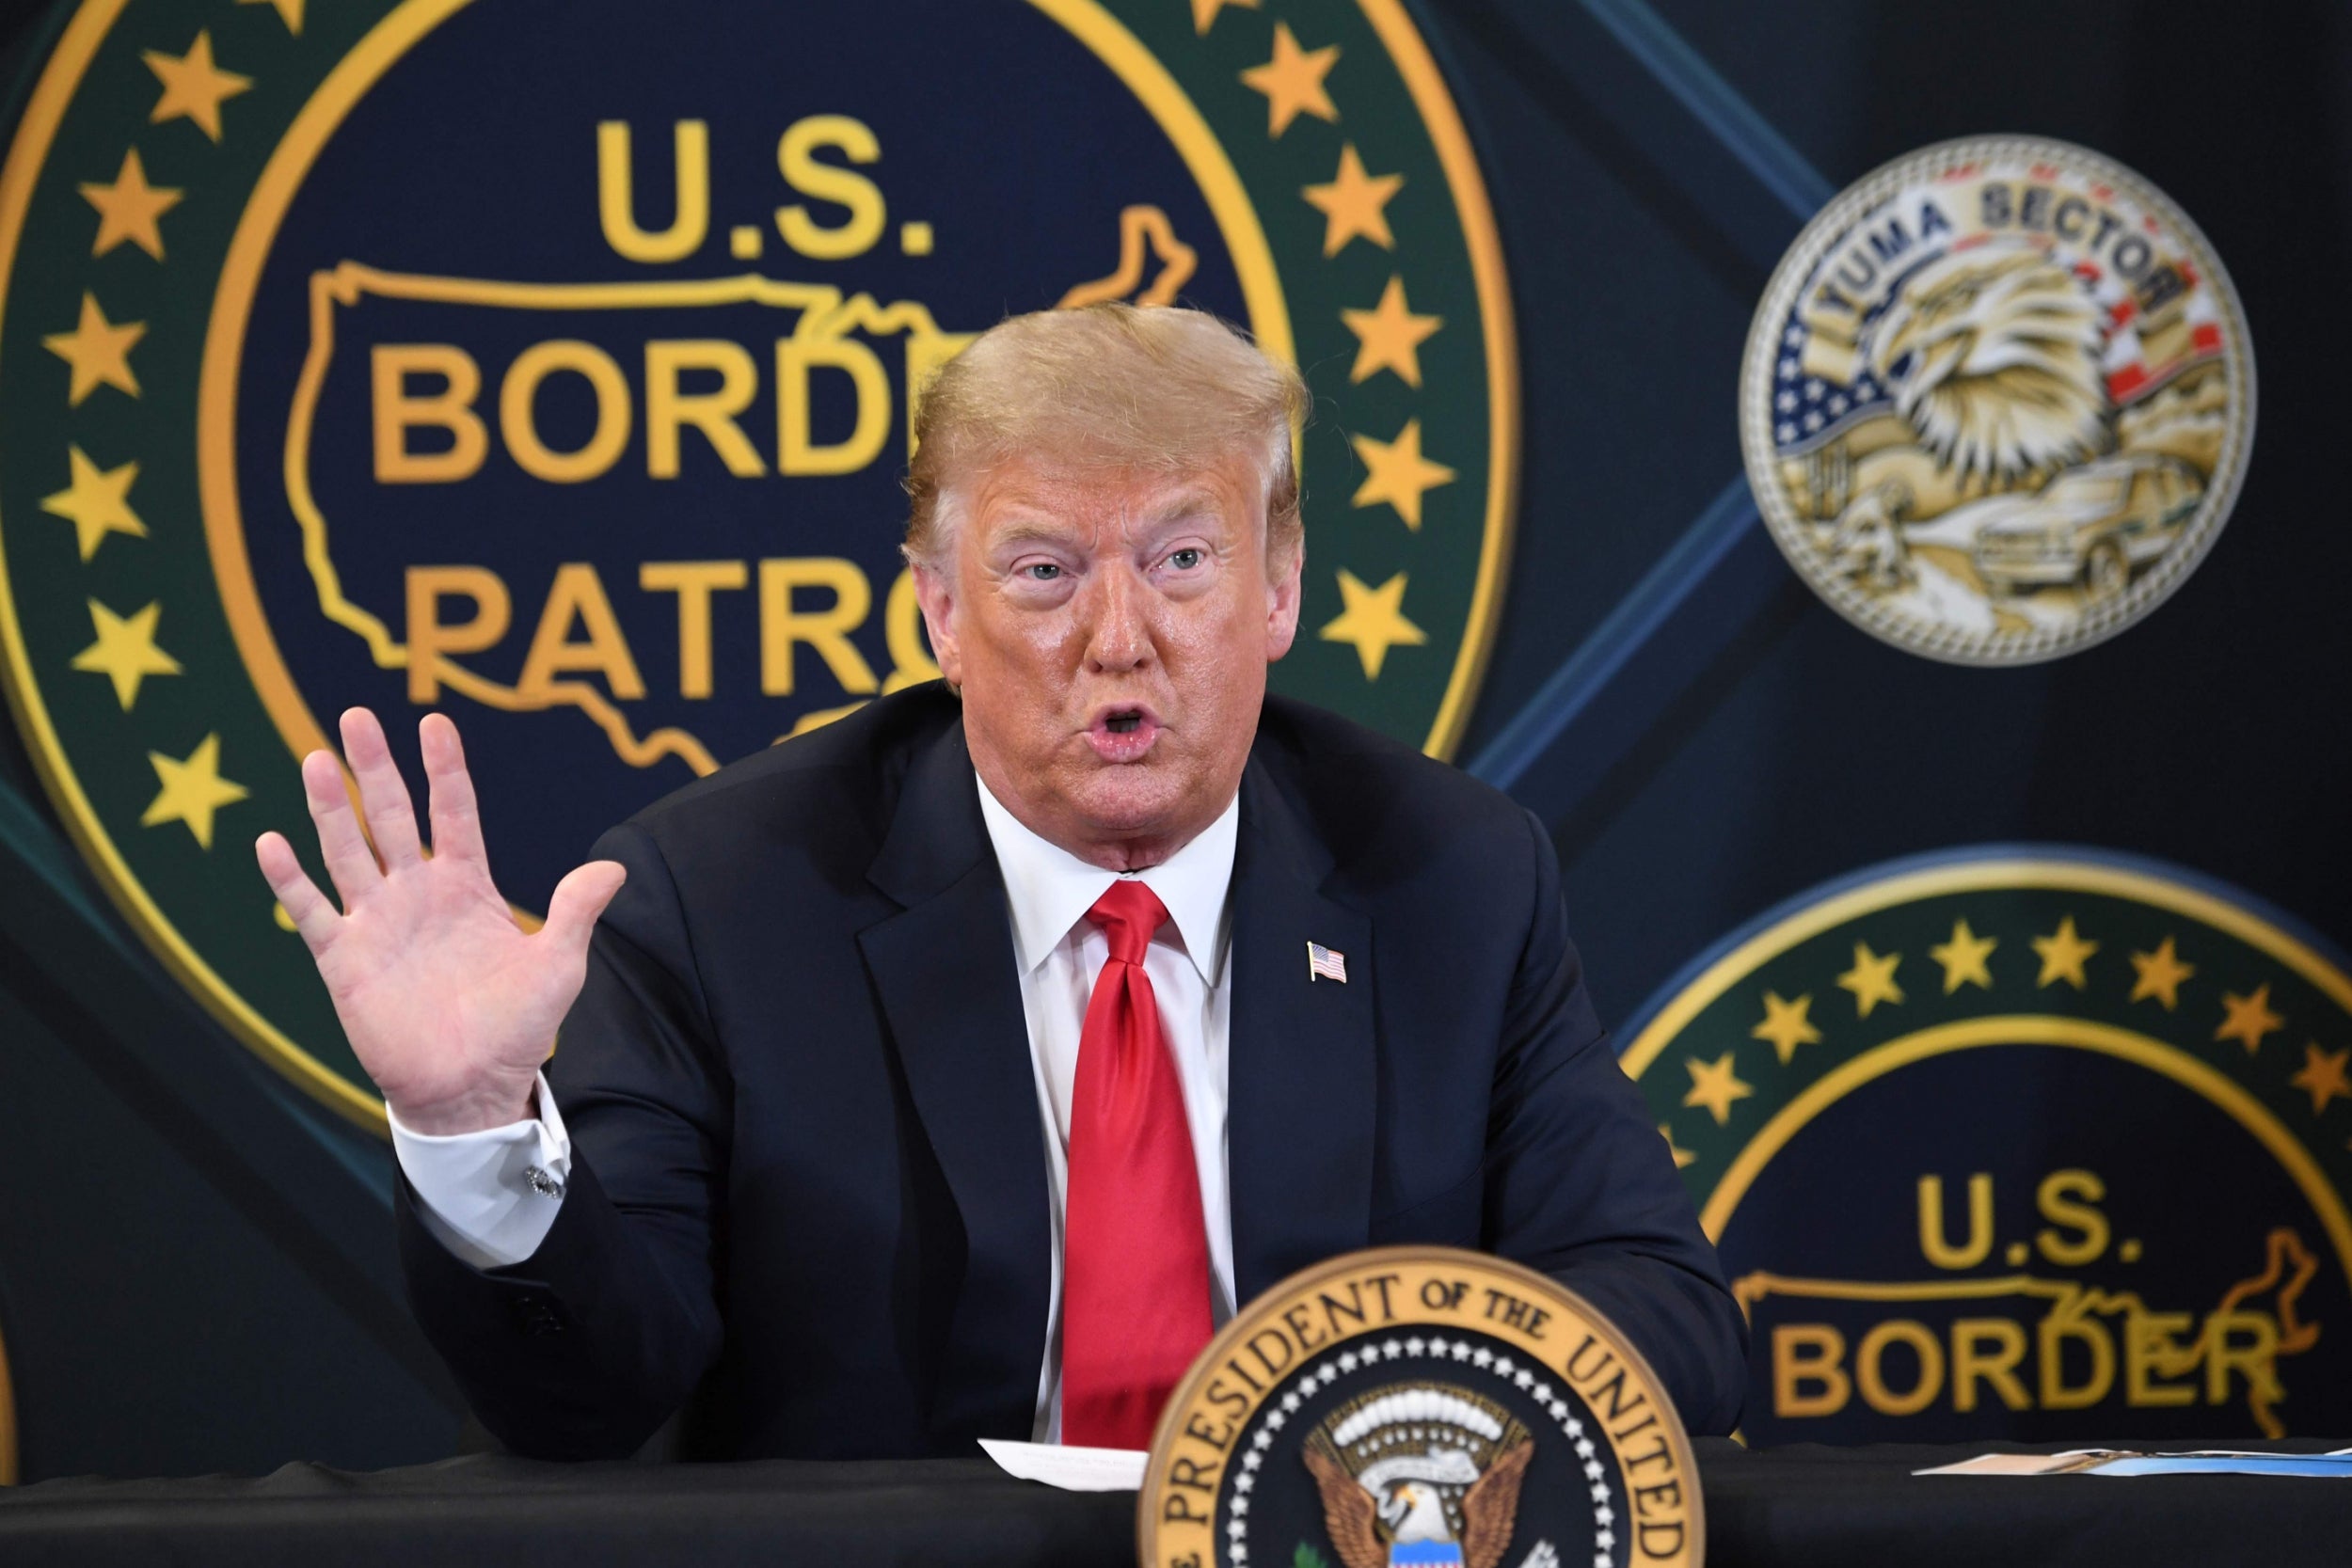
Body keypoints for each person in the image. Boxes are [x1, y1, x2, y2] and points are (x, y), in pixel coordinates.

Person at [253, 304, 1745, 1462]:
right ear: (939, 612)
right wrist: (471, 1132)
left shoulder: (1452, 878)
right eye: (1042, 573)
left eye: (1181, 558)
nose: (1120, 638)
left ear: (1279, 588)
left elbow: (1665, 1316)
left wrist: (1362, 1416)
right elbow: (589, 1400)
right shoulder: (717, 898)